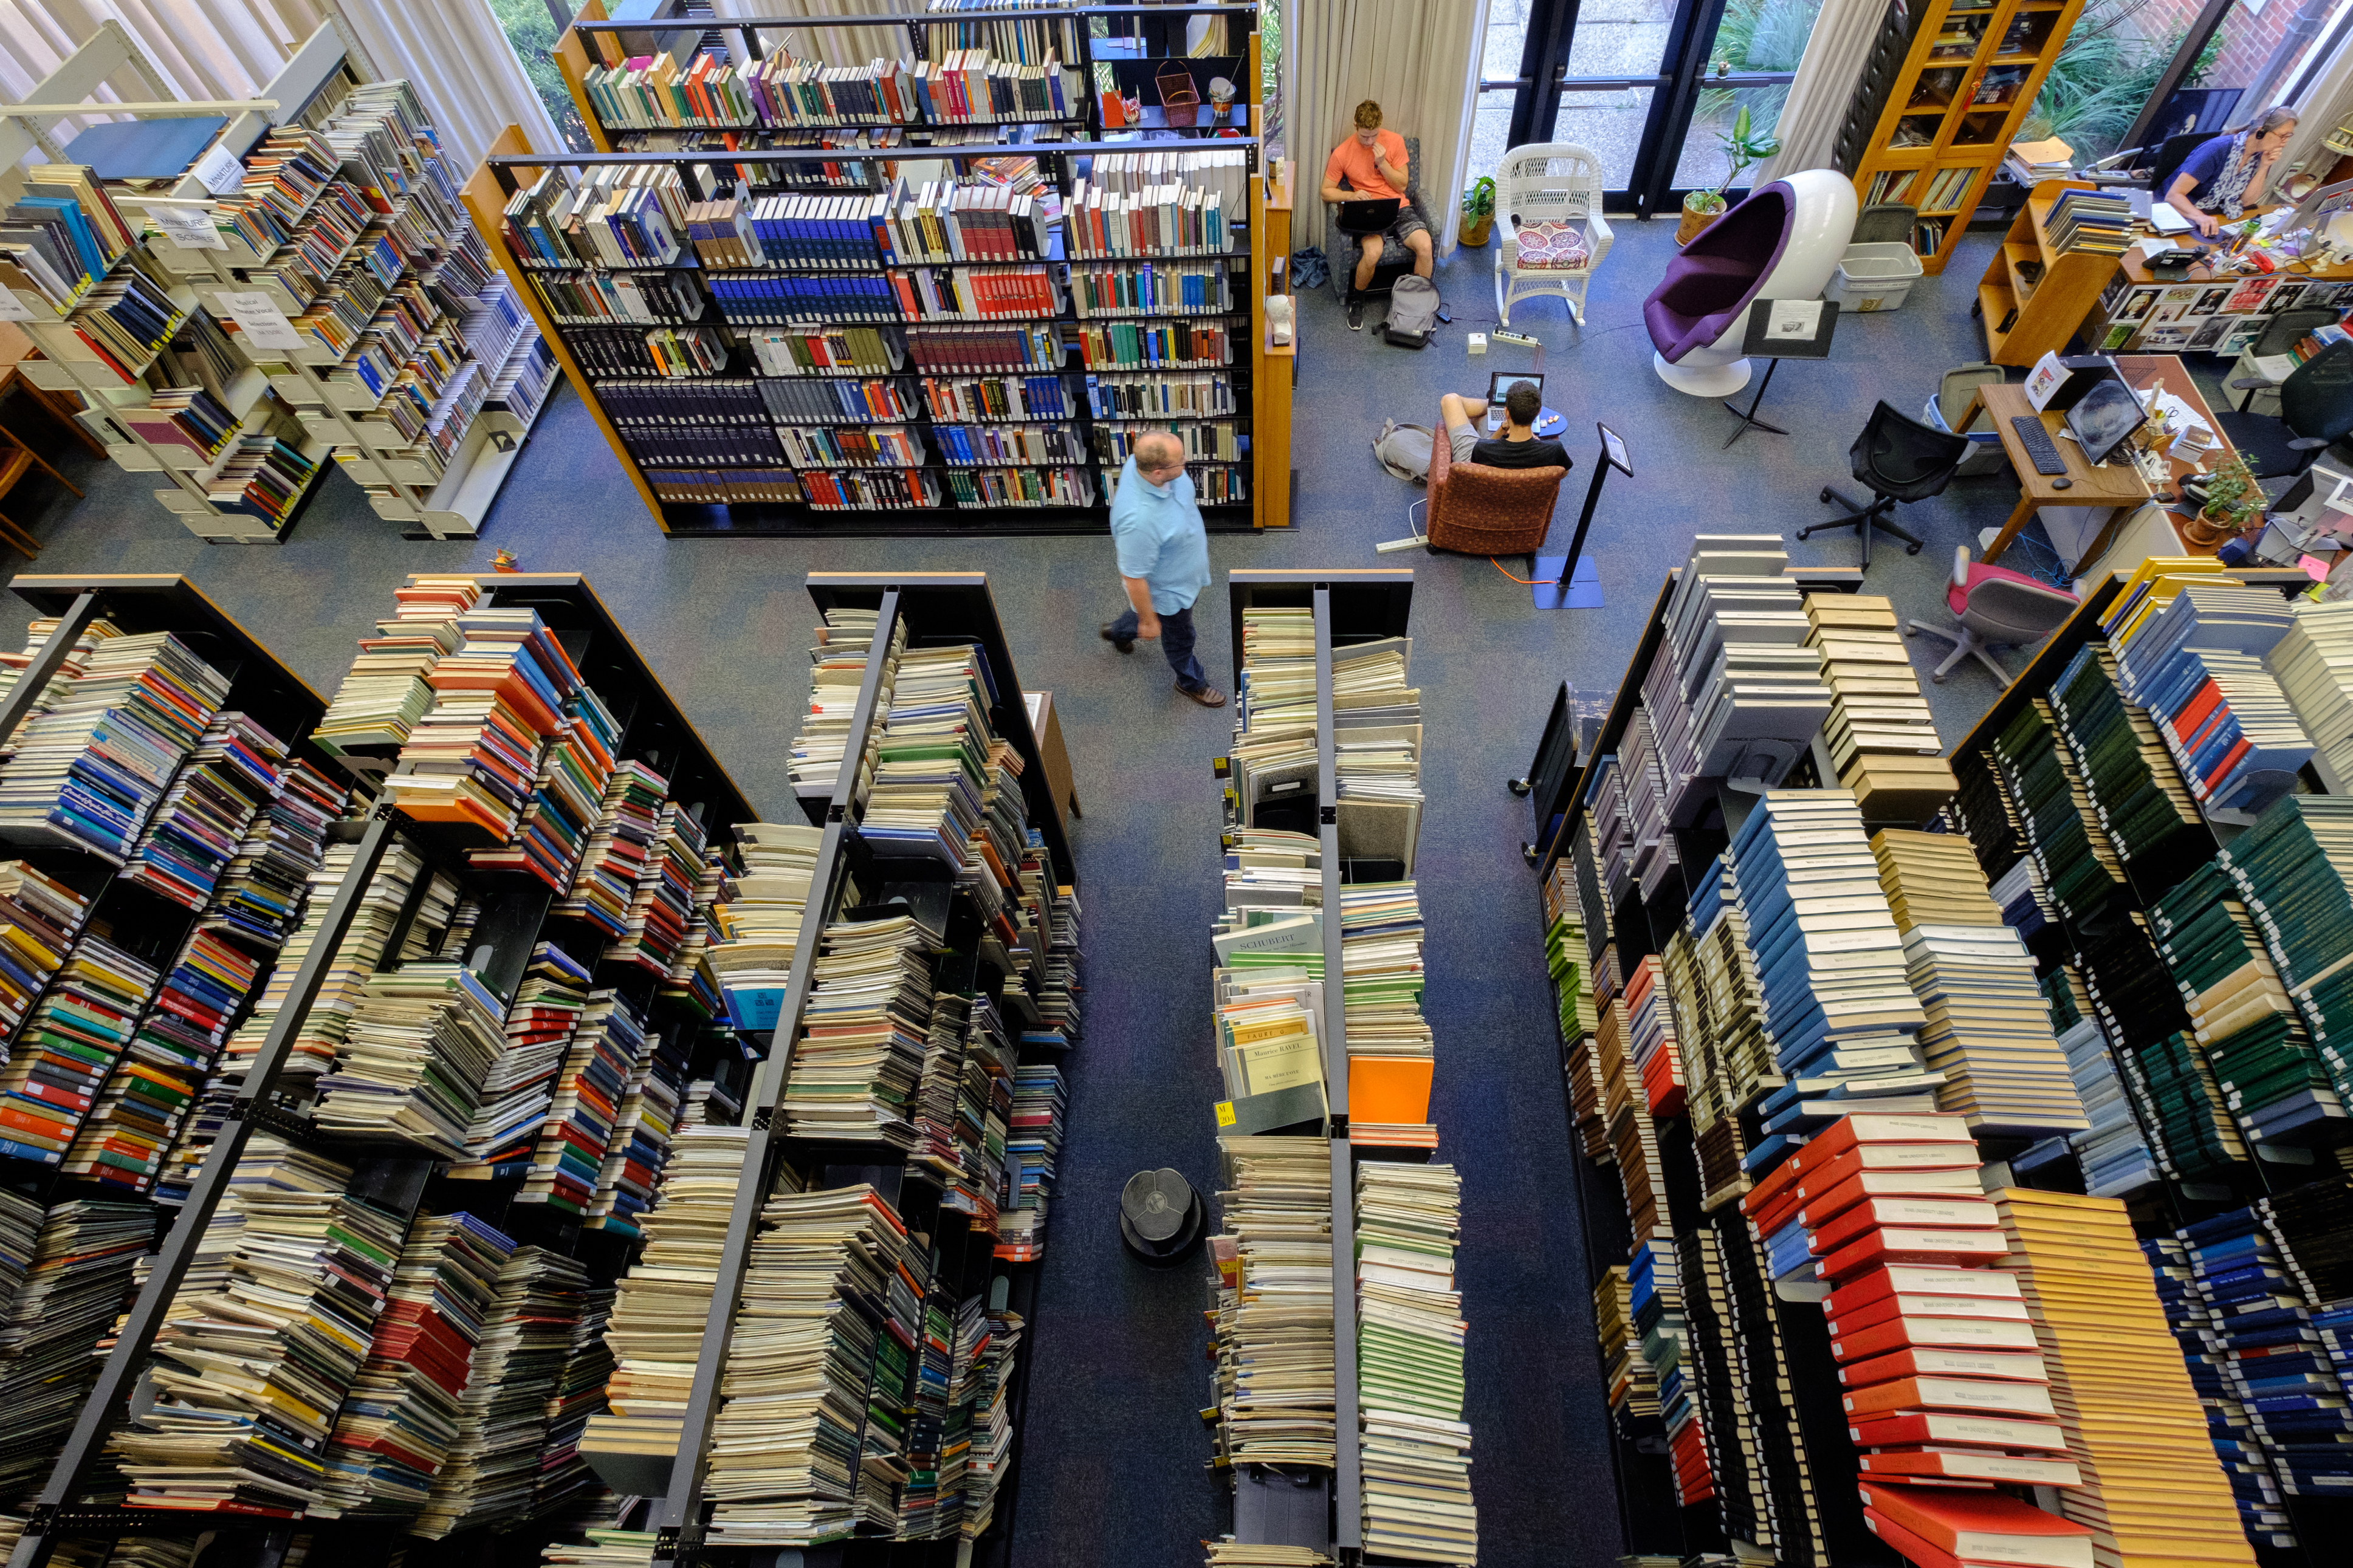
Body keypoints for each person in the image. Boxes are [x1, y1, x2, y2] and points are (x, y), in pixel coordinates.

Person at [1100, 432, 1225, 709]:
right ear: (1158, 472)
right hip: (1169, 592)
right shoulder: (1138, 521)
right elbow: (1133, 576)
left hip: (1184, 574)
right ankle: (1190, 682)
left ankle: (1120, 631)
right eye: (1180, 460)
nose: (1186, 461)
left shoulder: (1142, 464)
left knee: (1143, 619)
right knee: (1180, 638)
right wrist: (1148, 620)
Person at [1321, 99, 1432, 331]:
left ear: (1380, 126)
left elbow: (1402, 186)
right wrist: (1351, 196)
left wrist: (1382, 163)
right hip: (1370, 210)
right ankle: (1357, 301)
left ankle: (1417, 307)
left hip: (1398, 207)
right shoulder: (1343, 153)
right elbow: (1325, 191)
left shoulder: (1394, 141)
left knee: (1425, 245)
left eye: (1374, 135)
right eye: (1365, 137)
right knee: (1372, 253)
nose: (1370, 141)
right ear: (1355, 126)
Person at [2165, 106, 2299, 238]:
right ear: (2261, 132)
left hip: (2213, 213)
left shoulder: (2260, 156)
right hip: (2180, 211)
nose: (2284, 143)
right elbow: (2174, 195)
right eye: (2282, 136)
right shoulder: (2216, 150)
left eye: (2289, 137)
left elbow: (2247, 202)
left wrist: (2264, 167)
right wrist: (2200, 217)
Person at [1438, 380, 1573, 472]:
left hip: (1472, 465)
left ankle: (1493, 403)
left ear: (1507, 412)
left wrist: (1502, 421)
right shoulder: (1554, 451)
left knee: (1450, 400)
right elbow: (1562, 472)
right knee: (1483, 419)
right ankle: (1492, 408)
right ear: (1538, 412)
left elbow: (1483, 451)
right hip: (1524, 507)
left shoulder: (1483, 449)